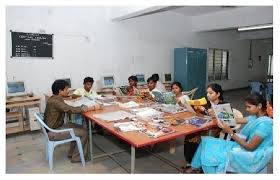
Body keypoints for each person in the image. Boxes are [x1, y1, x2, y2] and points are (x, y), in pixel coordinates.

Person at [184, 93, 273, 173]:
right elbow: (235, 120)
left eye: (249, 107)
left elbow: (250, 147)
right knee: (206, 141)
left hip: (250, 156)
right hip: (241, 145)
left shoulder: (265, 124)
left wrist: (231, 133)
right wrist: (219, 115)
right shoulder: (255, 117)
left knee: (209, 154)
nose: (246, 109)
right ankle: (194, 167)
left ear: (259, 106)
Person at [44, 79, 101, 163]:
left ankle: (72, 153)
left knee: (77, 126)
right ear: (60, 91)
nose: (68, 91)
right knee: (84, 133)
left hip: (54, 127)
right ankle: (77, 158)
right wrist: (87, 108)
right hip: (53, 132)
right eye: (66, 89)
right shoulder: (56, 101)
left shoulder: (55, 98)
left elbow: (66, 107)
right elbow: (69, 109)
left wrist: (77, 105)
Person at [182, 83, 227, 170]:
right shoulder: (207, 104)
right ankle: (191, 163)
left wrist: (216, 115)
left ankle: (199, 165)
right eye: (207, 93)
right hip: (205, 126)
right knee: (189, 136)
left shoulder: (224, 105)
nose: (208, 95)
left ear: (218, 94)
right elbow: (202, 115)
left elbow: (228, 123)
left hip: (217, 130)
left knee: (196, 138)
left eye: (211, 93)